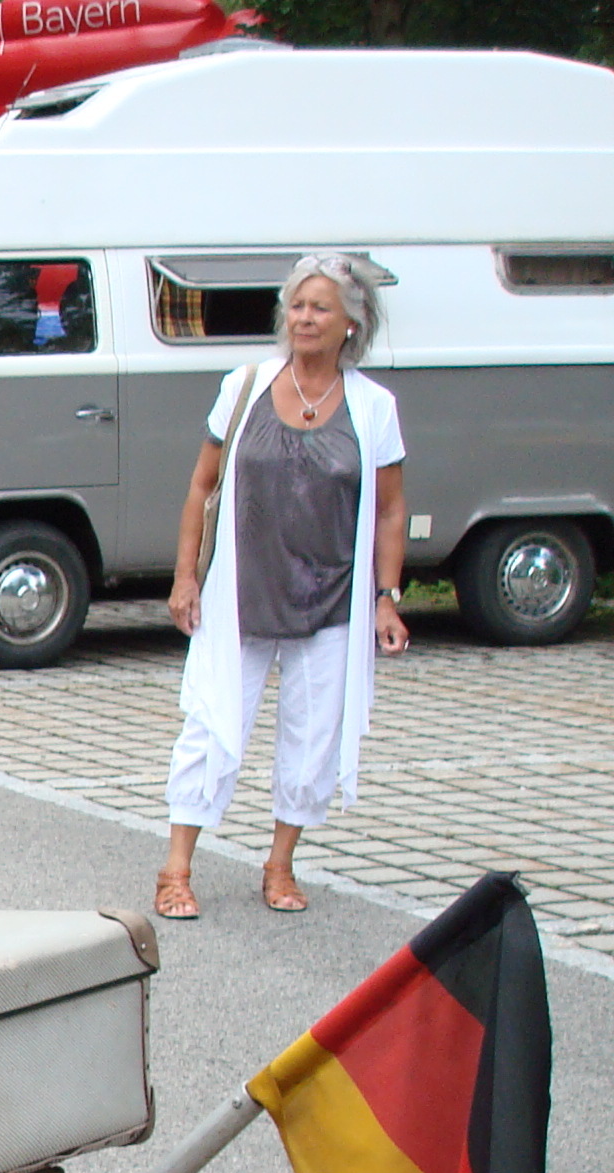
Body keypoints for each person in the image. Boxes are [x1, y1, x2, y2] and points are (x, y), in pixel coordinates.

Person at [157, 253, 408, 920]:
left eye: (319, 307)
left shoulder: (374, 408)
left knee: (311, 740)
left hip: (330, 601)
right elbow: (202, 485)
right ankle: (176, 869)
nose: (303, 318)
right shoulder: (245, 386)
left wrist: (388, 595)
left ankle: (280, 864)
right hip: (240, 595)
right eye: (296, 306)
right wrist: (187, 577)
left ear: (351, 324)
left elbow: (388, 509)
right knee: (210, 729)